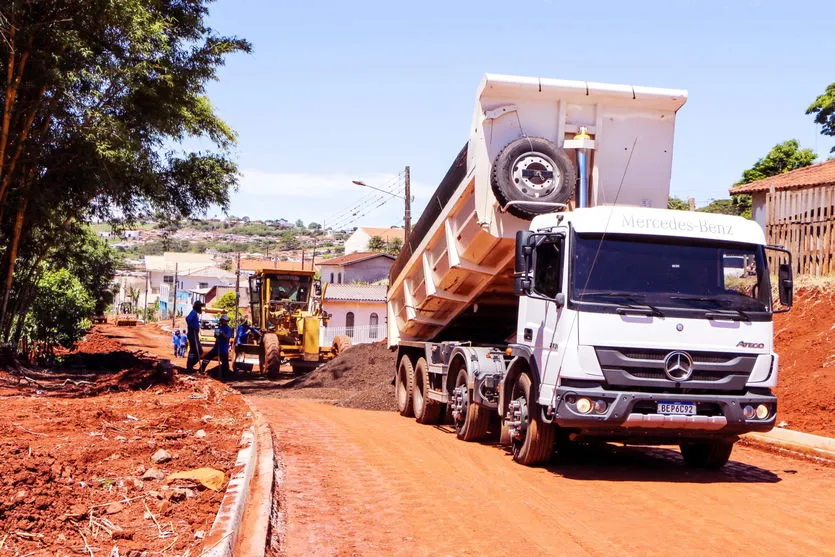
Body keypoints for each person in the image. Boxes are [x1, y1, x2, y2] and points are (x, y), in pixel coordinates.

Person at [185, 301, 204, 372]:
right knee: (198, 351)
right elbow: (187, 319)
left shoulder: (195, 313)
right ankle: (189, 366)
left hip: (194, 334)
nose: (201, 308)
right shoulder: (193, 312)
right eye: (200, 307)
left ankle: (190, 365)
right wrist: (192, 327)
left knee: (194, 351)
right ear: (197, 307)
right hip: (192, 334)